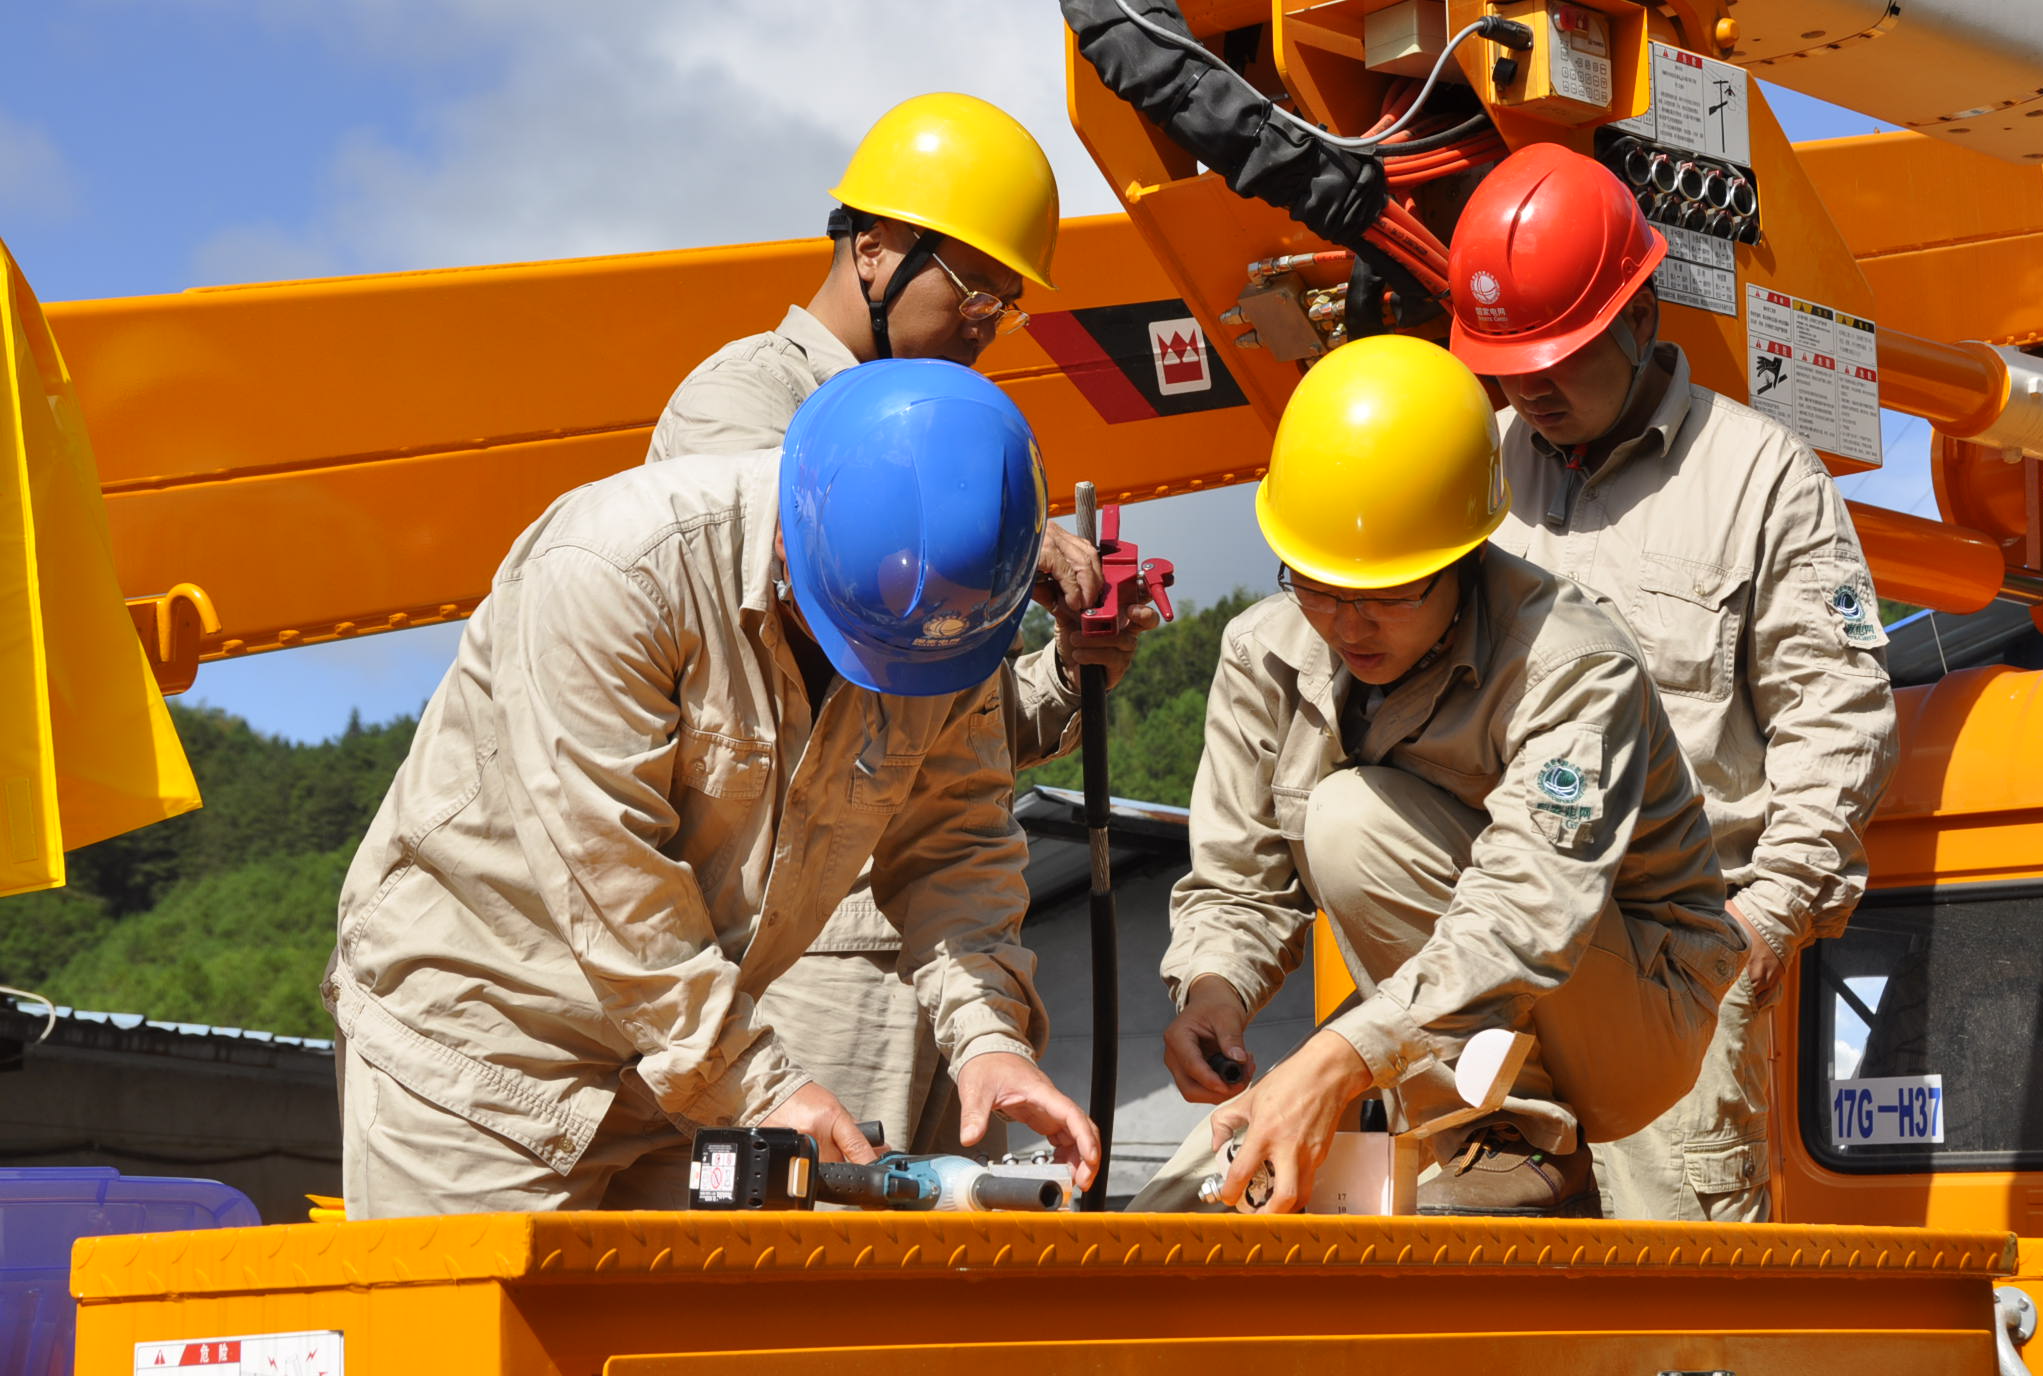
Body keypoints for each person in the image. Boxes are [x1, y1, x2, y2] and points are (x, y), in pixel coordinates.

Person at [324, 358, 1100, 1218]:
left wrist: (991, 1040)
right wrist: (756, 1081)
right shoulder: (617, 569)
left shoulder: (947, 621)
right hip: (484, 1058)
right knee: (478, 1349)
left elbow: (954, 841)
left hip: (684, 1071)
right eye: (863, 645)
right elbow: (608, 874)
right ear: (787, 537)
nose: (892, 683)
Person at [644, 92, 1154, 1153]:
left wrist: (1065, 666)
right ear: (872, 250)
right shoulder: (741, 404)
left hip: (944, 934)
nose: (987, 316)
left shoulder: (953, 442)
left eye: (1005, 298)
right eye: (974, 281)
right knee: (804, 1259)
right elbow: (806, 656)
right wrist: (1013, 566)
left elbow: (936, 728)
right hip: (812, 952)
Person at [1136, 336, 1742, 1217]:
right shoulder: (1264, 652)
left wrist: (1338, 1061)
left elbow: (1527, 910)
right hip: (1424, 1019)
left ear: (1465, 558)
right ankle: (1448, 1104)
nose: (1348, 625)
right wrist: (1213, 993)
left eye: (1388, 596)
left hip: (1633, 1009)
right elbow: (1239, 881)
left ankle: (1504, 1127)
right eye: (1317, 586)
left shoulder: (1571, 662)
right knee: (1178, 1207)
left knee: (1348, 820)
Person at [1445, 142, 1900, 1222]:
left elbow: (1836, 720)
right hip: (1494, 951)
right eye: (1507, 362)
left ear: (1640, 312)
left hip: (1668, 961)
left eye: (1560, 352)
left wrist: (1760, 921)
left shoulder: (1760, 479)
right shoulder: (1465, 469)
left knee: (1679, 1311)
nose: (1530, 386)